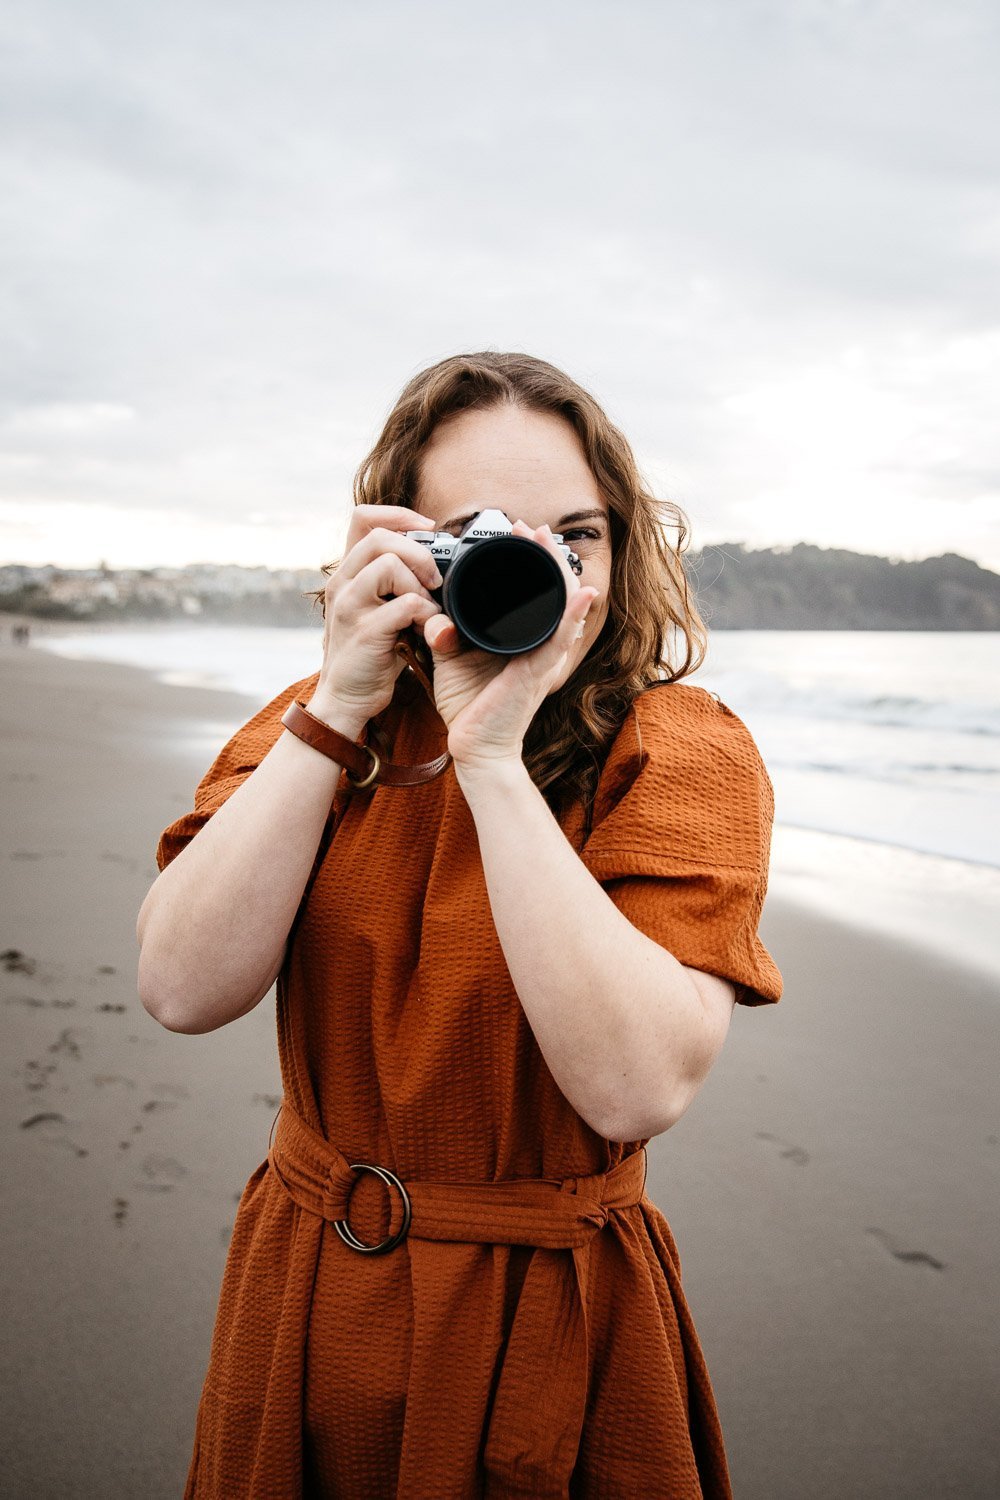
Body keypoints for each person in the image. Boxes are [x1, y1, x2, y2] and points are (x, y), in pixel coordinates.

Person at [136, 351, 783, 1500]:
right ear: (398, 546)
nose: (537, 568)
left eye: (573, 535)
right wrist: (338, 705)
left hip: (540, 1316)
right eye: (482, 532)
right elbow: (183, 989)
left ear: (624, 549)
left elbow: (638, 1087)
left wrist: (491, 759)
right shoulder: (315, 728)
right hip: (306, 1289)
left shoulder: (678, 749)